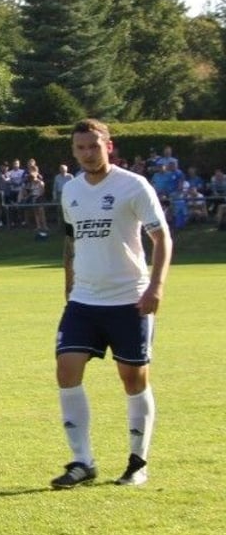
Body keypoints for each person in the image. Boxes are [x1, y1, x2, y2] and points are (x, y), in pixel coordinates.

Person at [51, 119, 173, 490]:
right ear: (73, 151)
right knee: (66, 370)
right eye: (80, 148)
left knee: (133, 378)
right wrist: (69, 286)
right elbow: (71, 243)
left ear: (108, 145)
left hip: (128, 300)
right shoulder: (70, 190)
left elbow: (161, 237)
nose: (88, 154)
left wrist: (155, 287)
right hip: (84, 301)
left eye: (93, 146)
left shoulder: (132, 186)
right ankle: (82, 462)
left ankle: (138, 462)